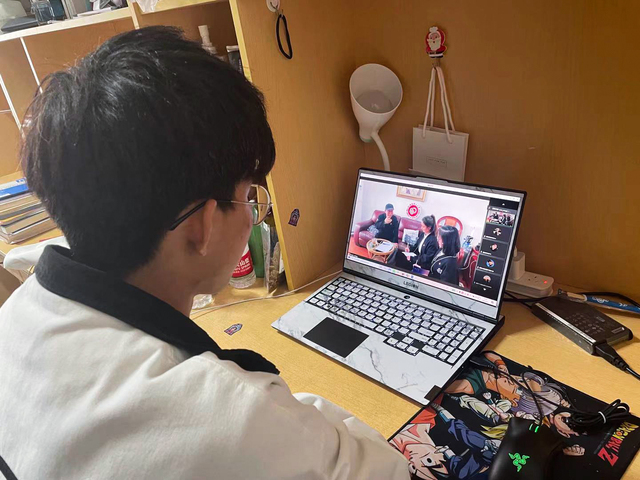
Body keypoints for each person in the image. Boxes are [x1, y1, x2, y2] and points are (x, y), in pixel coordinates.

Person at [0, 27, 410, 480]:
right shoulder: (231, 419)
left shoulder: (15, 316)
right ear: (202, 225)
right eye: (248, 196)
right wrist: (281, 410)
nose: (252, 212)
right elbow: (388, 470)